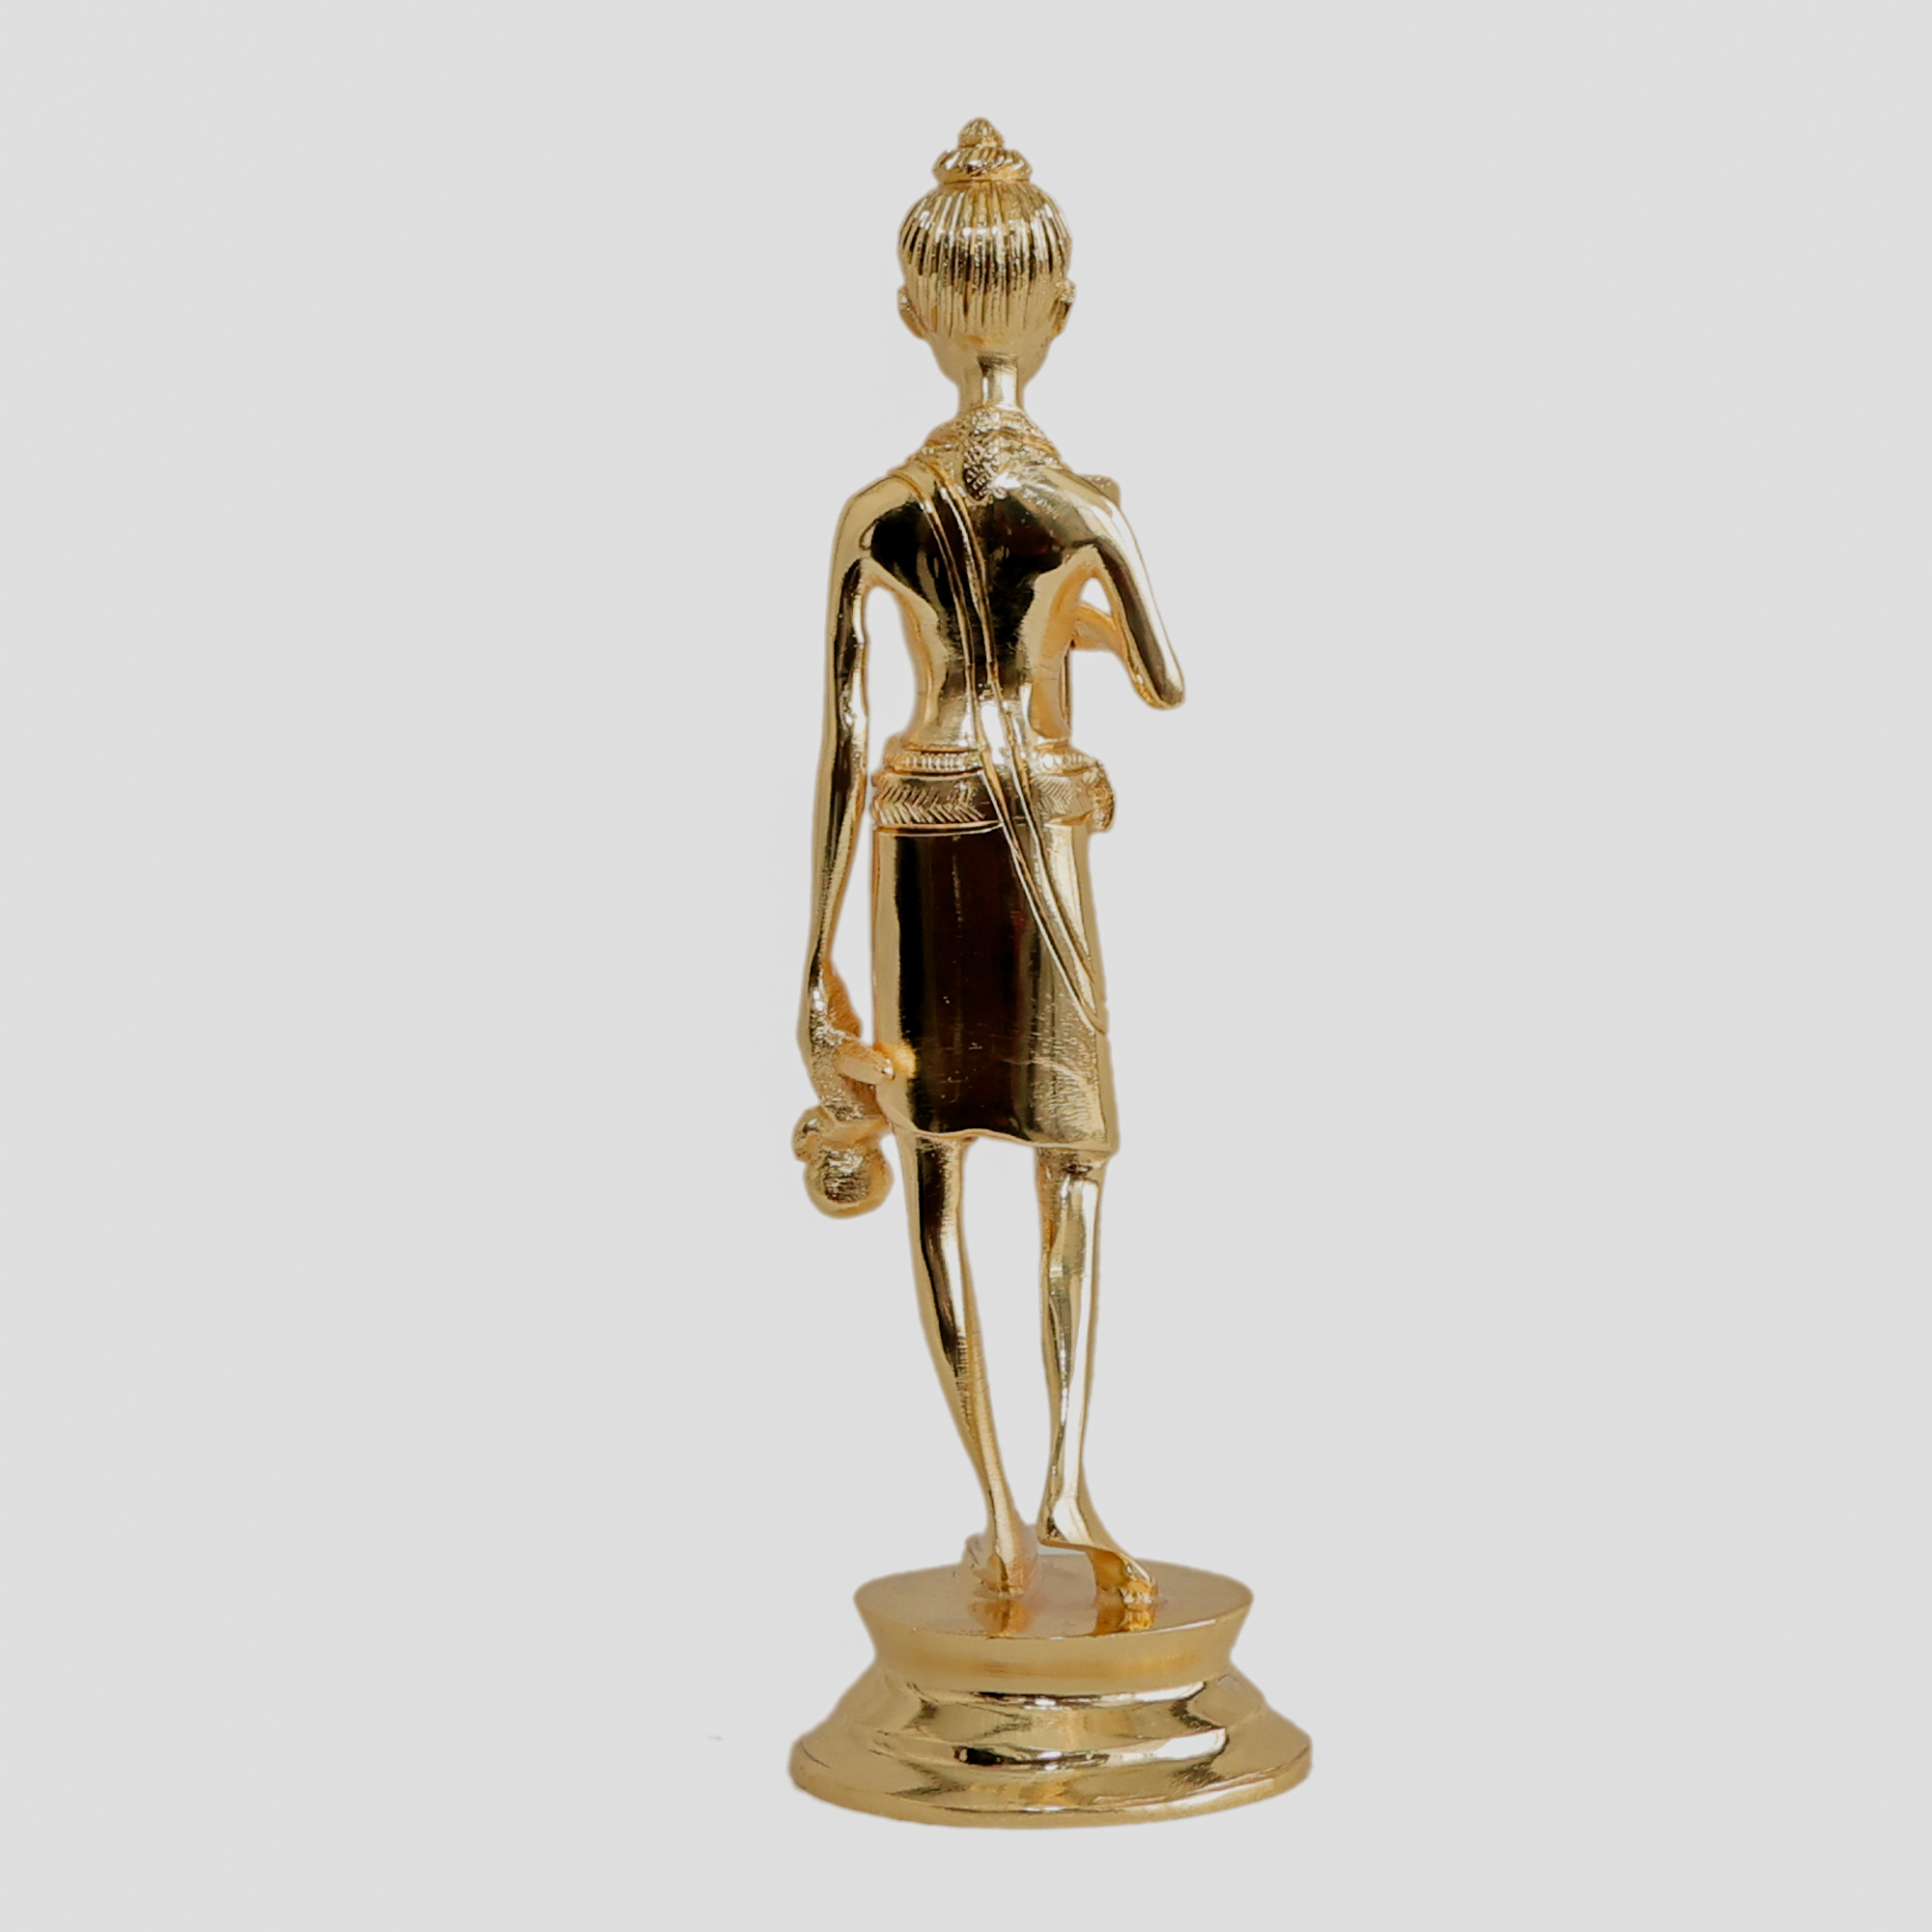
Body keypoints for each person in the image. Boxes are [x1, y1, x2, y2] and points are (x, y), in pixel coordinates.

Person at [795, 121, 1184, 1609]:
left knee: (938, 1172)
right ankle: (1070, 1475)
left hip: (920, 829)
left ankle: (1004, 1518)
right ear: (1060, 310)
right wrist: (1077, 603)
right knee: (1074, 1164)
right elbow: (1160, 680)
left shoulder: (878, 513)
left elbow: (840, 744)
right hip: (1041, 824)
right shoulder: (1083, 507)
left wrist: (809, 959)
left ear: (914, 312)